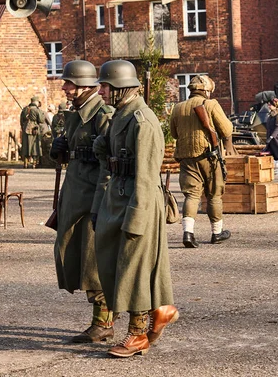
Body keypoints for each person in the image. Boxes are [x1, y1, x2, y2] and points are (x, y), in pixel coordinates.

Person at [93, 59, 177, 358]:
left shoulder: (143, 120)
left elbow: (147, 174)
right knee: (115, 263)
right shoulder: (120, 116)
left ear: (119, 88)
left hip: (137, 200)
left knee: (134, 269)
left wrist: (137, 217)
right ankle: (162, 311)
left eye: (104, 86)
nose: (100, 91)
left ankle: (138, 334)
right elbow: (110, 161)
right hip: (117, 195)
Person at [49, 60, 115, 343]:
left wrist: (103, 199)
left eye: (69, 83)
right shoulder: (75, 115)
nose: (64, 88)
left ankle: (103, 322)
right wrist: (59, 151)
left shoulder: (103, 114)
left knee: (93, 259)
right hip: (74, 195)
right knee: (72, 253)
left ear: (86, 86)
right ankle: (101, 319)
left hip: (92, 197)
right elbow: (70, 156)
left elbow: (110, 159)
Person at [170, 75, 233, 248]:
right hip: (210, 157)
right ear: (206, 90)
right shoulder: (210, 104)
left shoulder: (178, 107)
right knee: (214, 194)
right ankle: (216, 232)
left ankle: (188, 233)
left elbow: (174, 134)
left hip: (187, 158)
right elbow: (227, 129)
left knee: (191, 195)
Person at [20, 96, 45, 168]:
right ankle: (34, 163)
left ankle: (25, 163)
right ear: (36, 102)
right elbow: (41, 120)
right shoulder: (37, 110)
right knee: (35, 146)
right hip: (34, 130)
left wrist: (23, 127)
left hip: (26, 129)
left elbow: (21, 121)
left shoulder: (25, 109)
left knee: (26, 146)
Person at [264, 93, 278, 161]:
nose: (268, 106)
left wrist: (271, 137)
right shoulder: (271, 115)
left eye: (270, 104)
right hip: (272, 140)